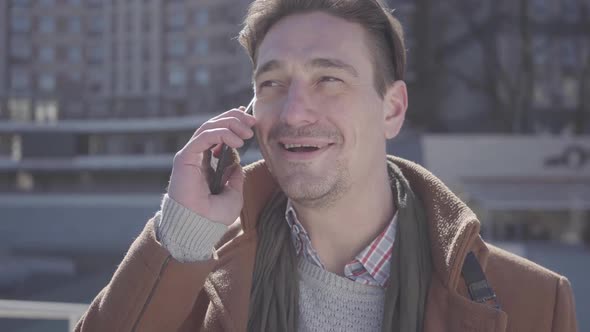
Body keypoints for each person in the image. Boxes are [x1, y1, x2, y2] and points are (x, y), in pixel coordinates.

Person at [76, 0, 578, 331]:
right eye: (272, 84)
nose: (294, 112)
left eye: (329, 80)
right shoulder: (195, 282)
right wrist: (182, 233)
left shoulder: (530, 304)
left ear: (393, 109)